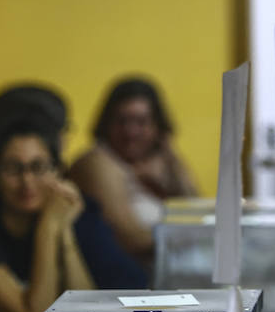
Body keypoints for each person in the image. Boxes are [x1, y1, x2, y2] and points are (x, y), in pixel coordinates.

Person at [0, 94, 96, 312]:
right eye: (13, 169)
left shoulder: (61, 212)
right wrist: (49, 226)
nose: (27, 182)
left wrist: (63, 232)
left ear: (57, 170)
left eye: (38, 167)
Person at [69, 76, 199, 263]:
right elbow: (130, 240)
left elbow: (198, 209)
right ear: (106, 123)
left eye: (141, 121)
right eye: (121, 121)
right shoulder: (96, 162)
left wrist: (171, 158)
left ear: (158, 127)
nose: (131, 131)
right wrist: (195, 236)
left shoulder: (160, 162)